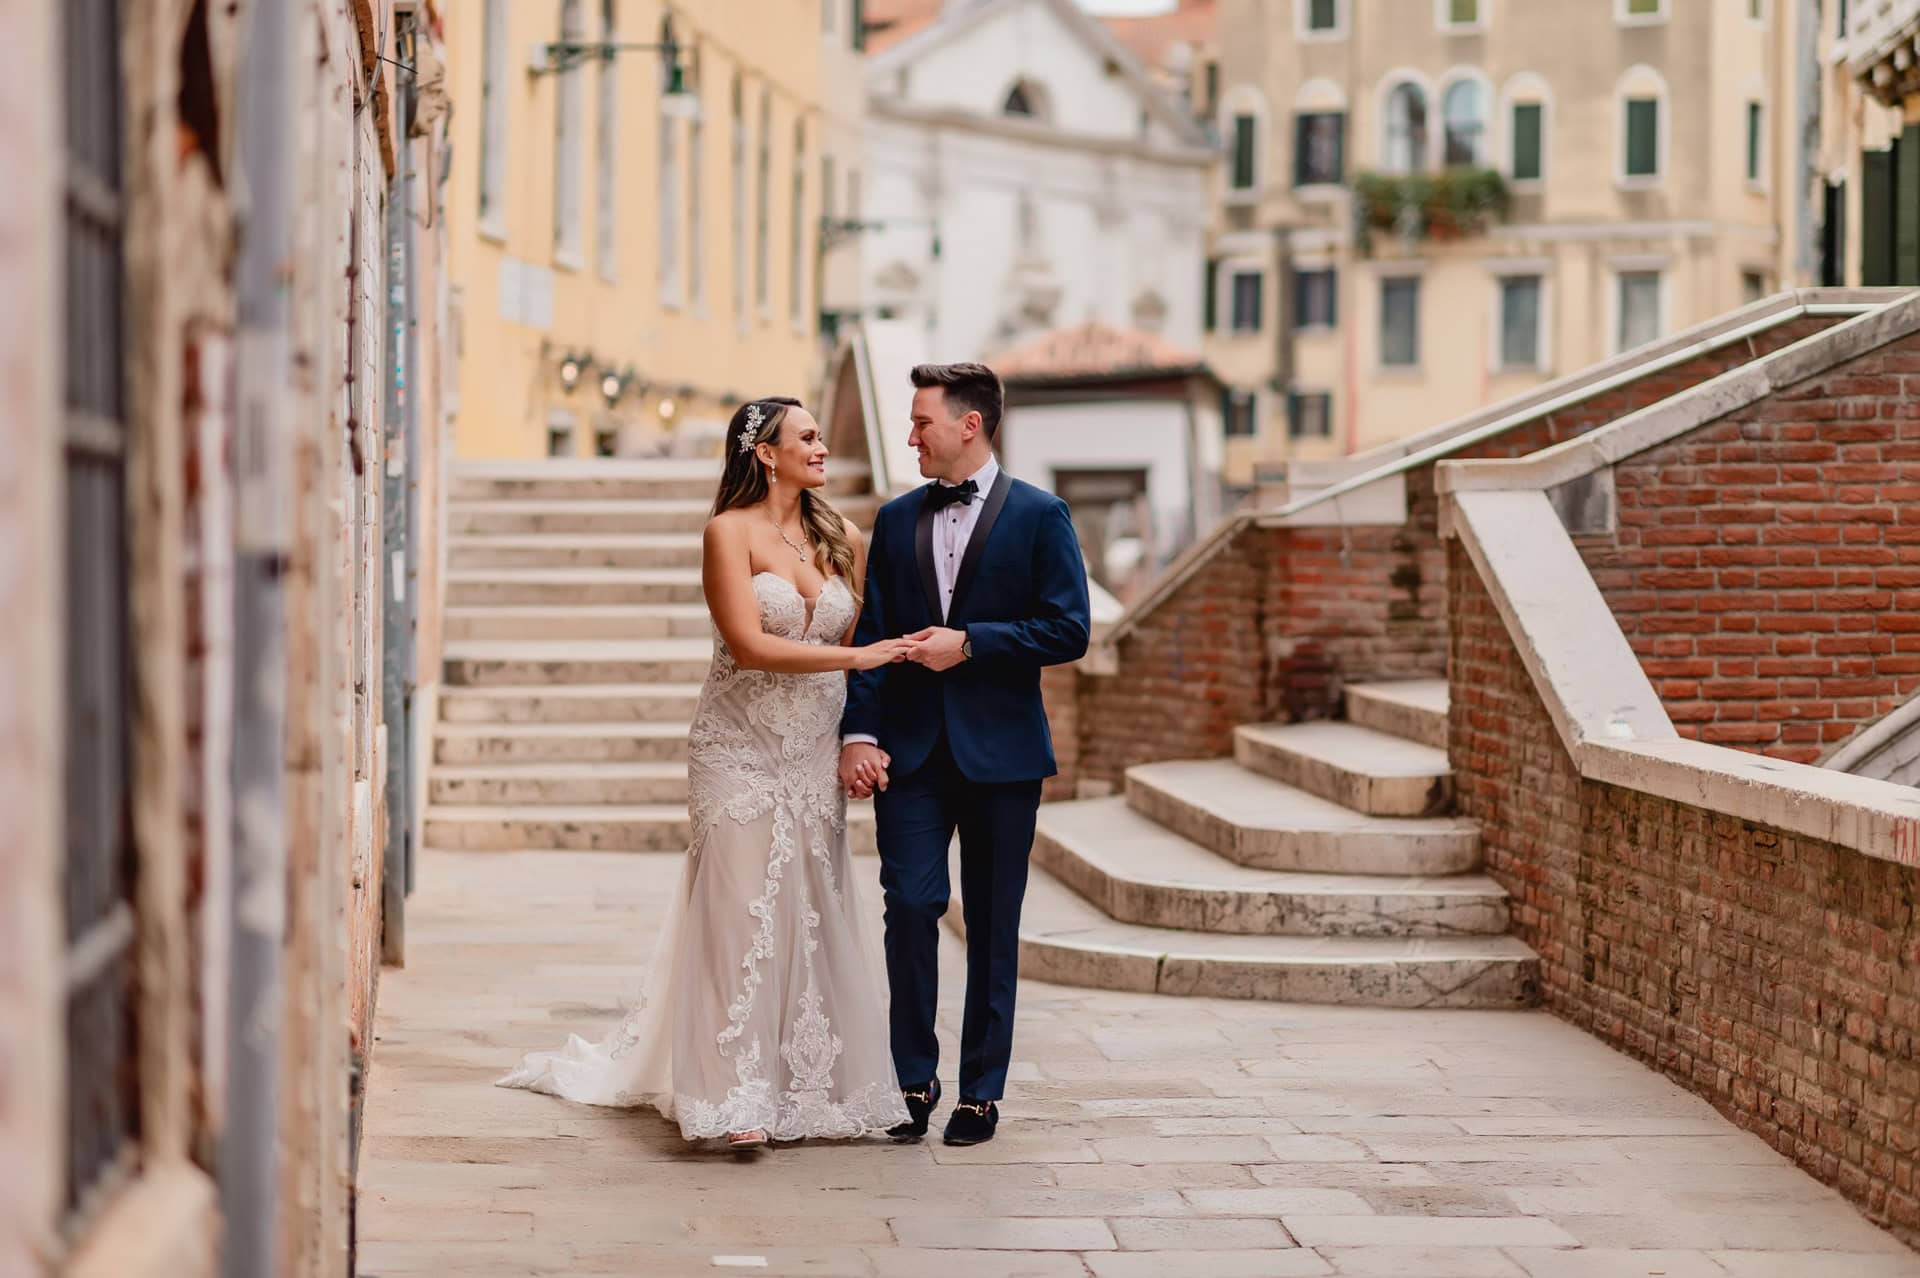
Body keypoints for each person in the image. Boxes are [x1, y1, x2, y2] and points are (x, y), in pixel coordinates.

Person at [498, 397, 912, 1151]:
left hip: (810, 750)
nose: (821, 447)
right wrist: (859, 657)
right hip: (736, 748)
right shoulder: (727, 533)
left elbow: (858, 646)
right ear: (766, 453)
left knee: (810, 911)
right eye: (807, 437)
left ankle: (806, 1085)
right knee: (737, 912)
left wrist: (860, 726)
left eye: (823, 434)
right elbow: (751, 646)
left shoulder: (845, 534)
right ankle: (728, 1095)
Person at [839, 362, 1092, 1147]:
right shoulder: (894, 518)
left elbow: (1069, 630)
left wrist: (972, 644)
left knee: (990, 924)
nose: (910, 435)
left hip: (1003, 758)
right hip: (908, 758)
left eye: (921, 422)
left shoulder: (1043, 516)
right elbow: (873, 632)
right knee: (910, 907)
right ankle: (912, 1078)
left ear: (969, 425)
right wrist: (859, 733)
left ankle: (981, 1093)